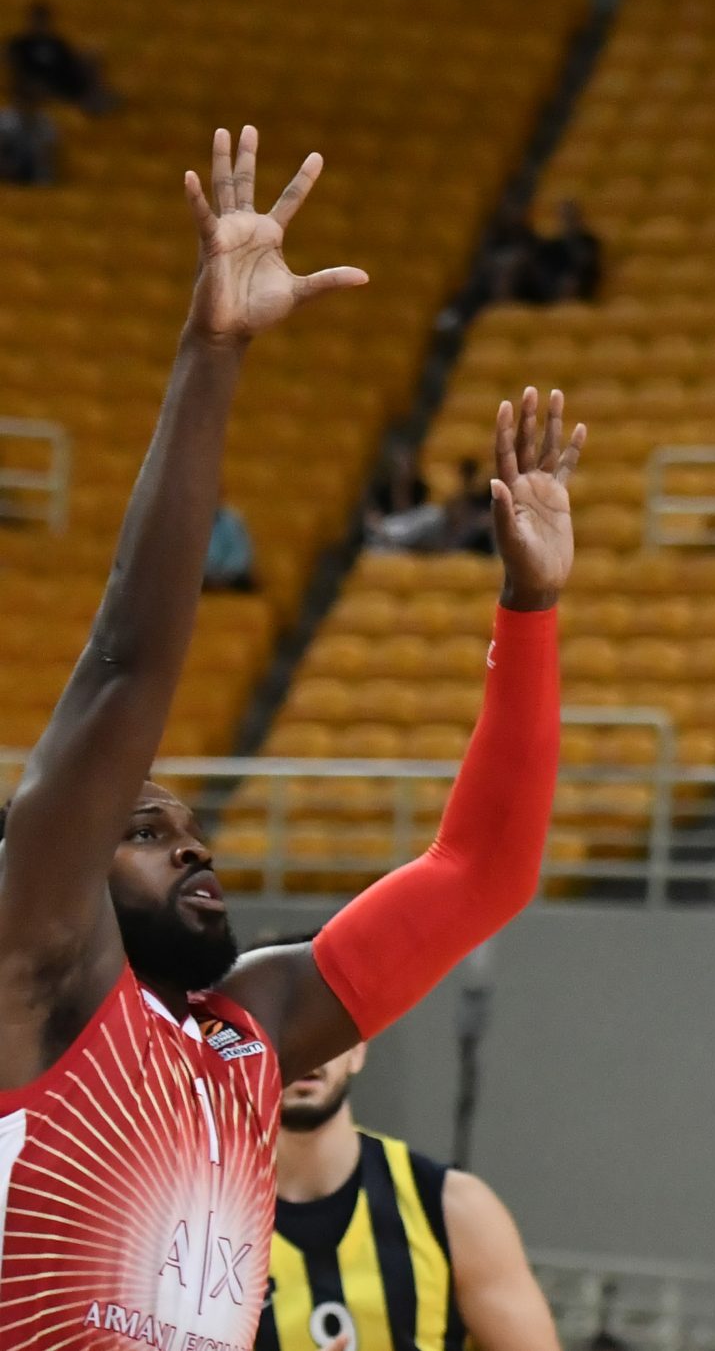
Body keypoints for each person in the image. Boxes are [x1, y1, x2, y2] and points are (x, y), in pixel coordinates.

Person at [0, 126, 586, 1350]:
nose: (194, 848)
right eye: (146, 832)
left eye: (190, 829)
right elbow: (125, 671)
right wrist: (211, 353)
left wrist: (528, 612)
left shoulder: (245, 1032)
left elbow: (482, 873)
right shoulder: (33, 971)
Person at [259, 1042, 558, 1351]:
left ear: (358, 1051)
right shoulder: (223, 1222)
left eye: (326, 1032)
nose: (306, 1047)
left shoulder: (455, 1206)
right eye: (285, 1034)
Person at [5, 0, 111, 111]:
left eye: (43, 21)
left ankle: (94, 100)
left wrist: (87, 58)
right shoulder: (20, 44)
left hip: (61, 80)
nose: (40, 25)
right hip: (37, 84)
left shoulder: (57, 43)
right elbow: (16, 68)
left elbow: (70, 60)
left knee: (90, 62)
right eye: (37, 21)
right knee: (35, 87)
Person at [0, 77, 59, 186]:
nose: (27, 105)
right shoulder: (4, 121)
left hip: (34, 179)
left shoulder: (45, 125)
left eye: (32, 101)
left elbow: (48, 160)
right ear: (16, 100)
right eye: (24, 100)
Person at [204, 501, 259, 592]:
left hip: (230, 577)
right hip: (203, 577)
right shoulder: (190, 520)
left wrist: (224, 574)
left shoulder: (232, 520)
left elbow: (241, 555)